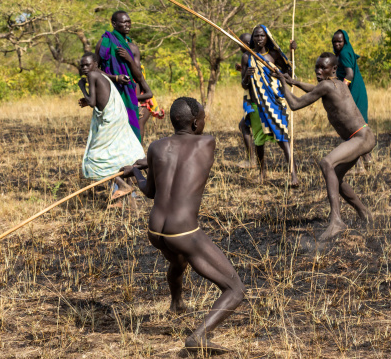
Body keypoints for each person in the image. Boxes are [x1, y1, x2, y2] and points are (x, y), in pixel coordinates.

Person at [120, 97, 245, 354]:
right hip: (183, 231)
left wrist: (137, 171)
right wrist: (142, 166)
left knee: (178, 261)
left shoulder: (156, 147)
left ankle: (176, 304)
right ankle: (198, 337)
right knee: (235, 290)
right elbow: (186, 155)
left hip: (155, 230)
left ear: (170, 120)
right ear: (197, 122)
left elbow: (150, 191)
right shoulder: (207, 142)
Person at [272, 52, 375, 241]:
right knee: (335, 176)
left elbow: (294, 104)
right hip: (363, 135)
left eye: (323, 68)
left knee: (327, 163)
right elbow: (315, 89)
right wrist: (294, 82)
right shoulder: (337, 84)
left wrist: (283, 84)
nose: (319, 71)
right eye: (317, 67)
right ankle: (364, 213)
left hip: (360, 137)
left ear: (334, 69)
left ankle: (336, 221)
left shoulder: (327, 85)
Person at [77, 52, 145, 198]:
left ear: (95, 64)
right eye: (82, 65)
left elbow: (92, 102)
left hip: (110, 120)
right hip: (117, 117)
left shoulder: (92, 75)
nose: (84, 68)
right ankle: (123, 196)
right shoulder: (100, 75)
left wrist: (82, 87)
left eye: (87, 64)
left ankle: (123, 185)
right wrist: (87, 98)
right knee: (113, 154)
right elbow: (96, 99)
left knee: (94, 158)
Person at [241, 25, 298, 185]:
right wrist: (247, 75)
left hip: (273, 102)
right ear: (253, 38)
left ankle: (294, 175)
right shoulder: (247, 57)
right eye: (256, 36)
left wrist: (292, 53)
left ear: (267, 37)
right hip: (256, 104)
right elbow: (244, 85)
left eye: (262, 36)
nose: (259, 39)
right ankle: (262, 172)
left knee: (283, 137)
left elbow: (289, 73)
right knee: (259, 141)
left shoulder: (273, 55)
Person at [95, 10, 147, 142]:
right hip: (110, 93)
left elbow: (139, 77)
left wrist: (129, 59)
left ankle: (134, 160)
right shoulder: (104, 43)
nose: (128, 25)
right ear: (114, 23)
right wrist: (115, 78)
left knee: (131, 132)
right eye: (124, 22)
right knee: (110, 133)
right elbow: (94, 69)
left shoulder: (133, 48)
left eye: (129, 22)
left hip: (129, 94)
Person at [332, 29, 372, 164]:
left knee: (354, 128)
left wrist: (341, 89)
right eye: (335, 41)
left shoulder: (344, 53)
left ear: (345, 41)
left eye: (340, 41)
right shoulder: (343, 52)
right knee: (360, 127)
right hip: (356, 90)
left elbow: (349, 74)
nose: (337, 44)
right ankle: (368, 160)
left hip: (353, 92)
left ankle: (360, 163)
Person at [236, 32, 257, 168]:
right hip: (259, 100)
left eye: (240, 43)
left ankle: (252, 161)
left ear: (247, 44)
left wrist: (245, 75)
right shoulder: (260, 55)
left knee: (244, 126)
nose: (239, 47)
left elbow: (245, 83)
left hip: (256, 100)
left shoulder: (247, 56)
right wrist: (242, 71)